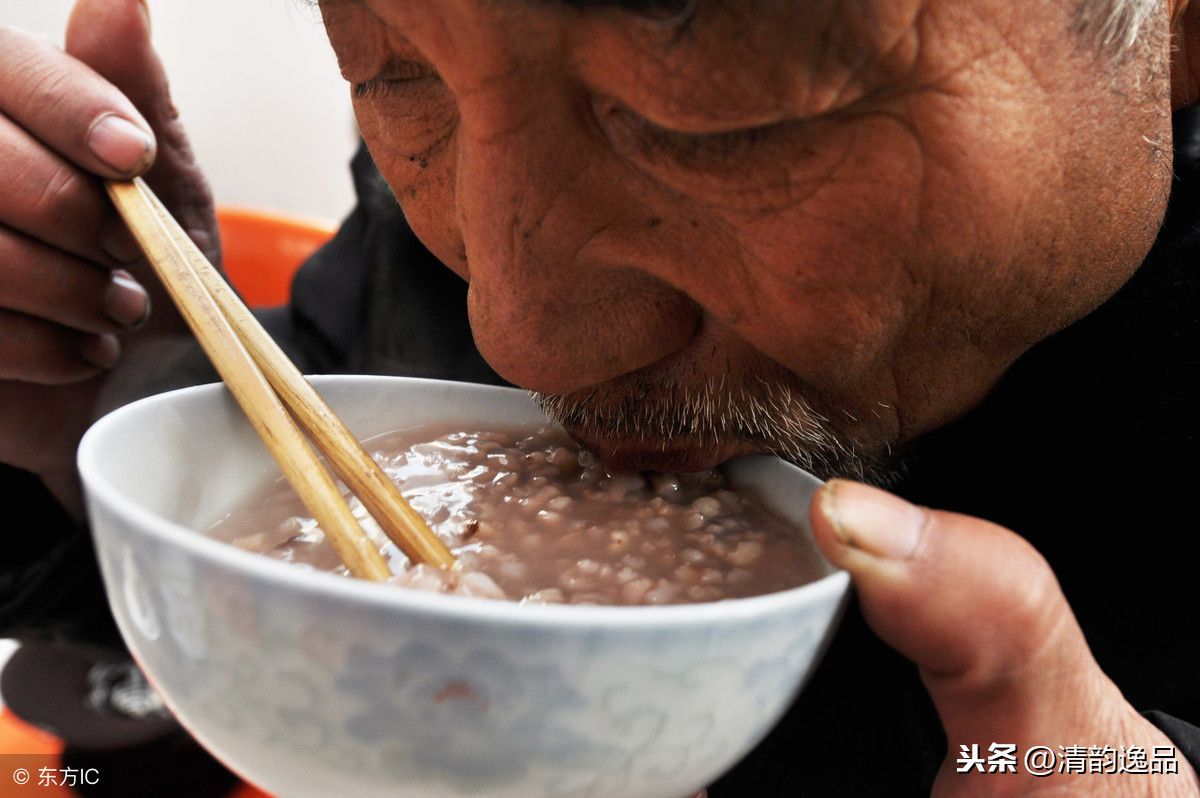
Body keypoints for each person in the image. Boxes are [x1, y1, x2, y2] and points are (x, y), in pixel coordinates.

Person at [0, 0, 1197, 795]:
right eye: (394, 70)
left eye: (715, 113)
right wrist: (130, 439)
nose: (519, 332)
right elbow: (331, 558)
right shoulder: (479, 201)